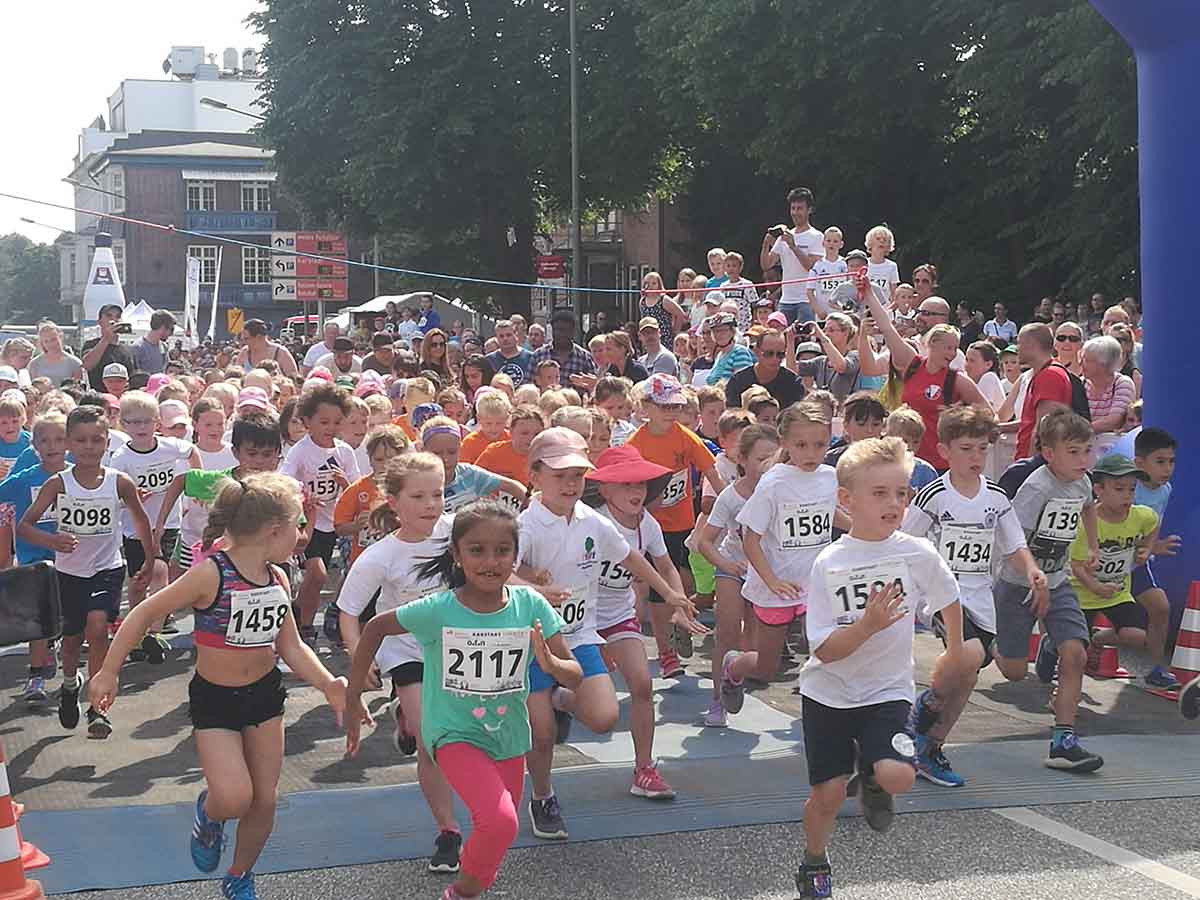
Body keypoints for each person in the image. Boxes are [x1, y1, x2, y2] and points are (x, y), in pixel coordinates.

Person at [90, 473, 347, 900]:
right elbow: (141, 615)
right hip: (216, 700)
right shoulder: (212, 573)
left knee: (263, 800)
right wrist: (109, 671)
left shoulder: (279, 577)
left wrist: (328, 684)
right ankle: (209, 815)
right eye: (299, 525)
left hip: (265, 696)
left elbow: (292, 645)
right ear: (273, 531)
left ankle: (240, 876)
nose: (303, 536)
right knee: (233, 798)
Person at [345, 502, 579, 900]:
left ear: (515, 555)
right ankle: (461, 893)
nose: (490, 561)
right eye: (477, 550)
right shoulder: (439, 609)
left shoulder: (531, 605)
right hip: (453, 733)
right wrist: (353, 698)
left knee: (498, 831)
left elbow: (574, 673)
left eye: (502, 551)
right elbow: (375, 629)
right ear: (456, 554)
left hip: (507, 734)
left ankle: (468, 888)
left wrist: (551, 662)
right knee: (501, 821)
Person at [794, 437, 962, 899]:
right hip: (828, 693)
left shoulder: (916, 552)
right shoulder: (830, 562)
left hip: (887, 690)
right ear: (846, 500)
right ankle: (814, 860)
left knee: (899, 775)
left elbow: (948, 595)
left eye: (901, 493)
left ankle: (872, 776)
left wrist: (957, 647)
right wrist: (868, 625)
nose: (894, 503)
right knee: (826, 796)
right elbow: (825, 650)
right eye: (880, 493)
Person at [515, 428, 693, 841]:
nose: (570, 484)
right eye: (560, 475)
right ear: (535, 475)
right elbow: (501, 572)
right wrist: (536, 589)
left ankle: (561, 698)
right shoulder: (525, 525)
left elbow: (631, 557)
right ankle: (542, 796)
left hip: (578, 636)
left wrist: (670, 593)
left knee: (603, 717)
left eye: (577, 475)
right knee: (540, 735)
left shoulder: (591, 521)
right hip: (533, 645)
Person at [335, 452, 469, 872]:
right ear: (393, 502)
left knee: (458, 734)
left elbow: (499, 568)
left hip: (460, 648)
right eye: (419, 496)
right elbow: (348, 612)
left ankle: (404, 717)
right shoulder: (380, 556)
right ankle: (449, 832)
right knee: (433, 742)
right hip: (406, 651)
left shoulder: (460, 534)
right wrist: (361, 655)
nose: (432, 504)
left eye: (439, 494)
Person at [901, 405, 1047, 787]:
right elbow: (905, 540)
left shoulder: (996, 497)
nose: (975, 457)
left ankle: (930, 746)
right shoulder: (934, 495)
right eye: (966, 449)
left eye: (982, 449)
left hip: (981, 595)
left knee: (967, 676)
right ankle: (923, 708)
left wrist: (1032, 569)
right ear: (945, 450)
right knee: (968, 654)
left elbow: (1014, 542)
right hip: (939, 594)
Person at [18, 405, 155, 737]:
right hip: (69, 574)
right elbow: (25, 526)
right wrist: (53, 540)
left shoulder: (119, 482)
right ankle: (69, 684)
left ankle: (97, 708)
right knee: (70, 640)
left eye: (96, 440)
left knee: (97, 628)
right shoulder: (58, 483)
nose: (89, 447)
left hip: (107, 568)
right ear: (68, 444)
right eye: (81, 441)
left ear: (107, 442)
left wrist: (150, 560)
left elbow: (140, 520)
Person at [589, 445, 707, 798]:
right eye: (625, 484)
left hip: (618, 613)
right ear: (606, 490)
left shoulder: (648, 524)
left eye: (640, 484)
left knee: (642, 685)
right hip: (579, 620)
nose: (636, 491)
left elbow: (666, 564)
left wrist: (678, 602)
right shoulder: (592, 521)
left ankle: (644, 769)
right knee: (583, 704)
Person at [991, 410, 1104, 771]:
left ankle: (1064, 741)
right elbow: (1013, 543)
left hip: (1058, 582)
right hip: (1017, 584)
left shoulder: (1083, 481)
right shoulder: (1037, 487)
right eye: (1074, 452)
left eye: (1087, 451)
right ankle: (985, 637)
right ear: (1049, 453)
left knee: (1076, 653)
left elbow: (1087, 509)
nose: (1083, 460)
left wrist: (1092, 546)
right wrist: (1033, 576)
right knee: (1012, 670)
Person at [723, 401, 842, 697]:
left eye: (820, 444)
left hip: (815, 582)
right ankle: (734, 666)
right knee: (766, 669)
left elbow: (830, 512)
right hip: (775, 586)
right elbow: (751, 540)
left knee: (826, 649)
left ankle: (824, 706)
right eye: (801, 445)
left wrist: (864, 528)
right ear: (785, 442)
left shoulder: (829, 476)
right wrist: (772, 581)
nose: (812, 453)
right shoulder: (774, 483)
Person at [1069, 454, 1179, 691]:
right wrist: (1095, 586)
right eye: (1120, 489)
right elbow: (1076, 566)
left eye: (1132, 489)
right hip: (1083, 594)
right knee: (1076, 653)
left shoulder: (1140, 515)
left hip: (1118, 592)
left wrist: (1148, 548)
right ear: (1098, 489)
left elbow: (1153, 524)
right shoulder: (1086, 524)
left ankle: (1102, 639)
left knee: (1140, 637)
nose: (1128, 495)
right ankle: (1062, 684)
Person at [110, 390, 202, 659]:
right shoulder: (121, 459)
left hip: (168, 524)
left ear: (157, 423)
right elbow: (115, 493)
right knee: (139, 582)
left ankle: (154, 633)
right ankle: (136, 635)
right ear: (123, 425)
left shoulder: (169, 446)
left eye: (146, 421)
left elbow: (192, 451)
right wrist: (132, 498)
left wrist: (195, 487)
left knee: (160, 573)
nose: (140, 427)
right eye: (133, 422)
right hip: (135, 528)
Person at [861, 286, 988, 470]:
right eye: (948, 347)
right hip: (905, 460)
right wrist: (868, 293)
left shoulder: (958, 380)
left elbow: (988, 414)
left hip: (941, 465)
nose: (953, 354)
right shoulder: (912, 365)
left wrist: (961, 417)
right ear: (932, 344)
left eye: (955, 348)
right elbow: (887, 328)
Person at [280, 383, 361, 645]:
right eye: (324, 421)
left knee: (318, 578)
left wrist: (344, 485)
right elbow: (285, 480)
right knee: (317, 573)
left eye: (337, 422)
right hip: (308, 524)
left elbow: (359, 491)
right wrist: (302, 496)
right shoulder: (300, 451)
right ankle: (302, 624)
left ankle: (303, 620)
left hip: (332, 524)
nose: (331, 428)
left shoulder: (344, 452)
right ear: (306, 421)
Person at [0, 410, 70, 702]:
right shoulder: (22, 480)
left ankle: (70, 675)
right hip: (34, 561)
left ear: (68, 443)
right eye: (45, 440)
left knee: (70, 619)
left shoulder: (78, 474)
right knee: (39, 620)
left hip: (72, 557)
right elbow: (3, 502)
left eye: (58, 439)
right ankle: (36, 675)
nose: (52, 446)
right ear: (35, 445)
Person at [760, 187, 824, 325]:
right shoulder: (785, 235)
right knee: (782, 338)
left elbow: (812, 267)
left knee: (805, 340)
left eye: (800, 208)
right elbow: (766, 265)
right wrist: (765, 244)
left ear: (809, 210)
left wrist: (794, 247)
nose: (795, 212)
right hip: (786, 300)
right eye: (793, 208)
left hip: (807, 300)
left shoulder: (817, 236)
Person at [1014, 323, 1076, 460]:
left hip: (1036, 465)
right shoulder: (1043, 373)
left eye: (1019, 343)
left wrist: (1028, 466)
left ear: (1032, 345)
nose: (1016, 348)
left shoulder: (1050, 375)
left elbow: (1043, 431)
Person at [788, 313, 864, 403]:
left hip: (845, 412)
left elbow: (841, 366)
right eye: (825, 330)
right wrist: (790, 340)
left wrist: (822, 336)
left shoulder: (855, 356)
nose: (827, 334)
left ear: (846, 333)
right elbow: (792, 369)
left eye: (831, 330)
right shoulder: (821, 361)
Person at [1081, 335, 1135, 460]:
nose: (1080, 363)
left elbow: (1113, 421)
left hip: (1113, 452)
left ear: (1103, 364)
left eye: (1086, 360)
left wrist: (1078, 431)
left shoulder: (1122, 383)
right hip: (1084, 450)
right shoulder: (1081, 383)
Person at [724, 329, 804, 410]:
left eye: (780, 354)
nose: (775, 359)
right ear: (756, 351)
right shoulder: (738, 381)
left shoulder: (793, 382)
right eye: (768, 354)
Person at [533, 310, 596, 389]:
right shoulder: (538, 355)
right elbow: (529, 384)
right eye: (558, 330)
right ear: (552, 330)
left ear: (573, 331)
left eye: (566, 330)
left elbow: (593, 387)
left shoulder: (584, 357)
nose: (562, 334)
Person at [81, 303, 136, 390]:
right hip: (98, 396)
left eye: (118, 316)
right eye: (109, 316)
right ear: (100, 322)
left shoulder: (126, 350)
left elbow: (132, 376)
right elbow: (87, 365)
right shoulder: (91, 344)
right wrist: (106, 339)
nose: (114, 320)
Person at [29, 320, 84, 387]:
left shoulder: (75, 363)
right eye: (46, 341)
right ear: (42, 343)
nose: (51, 344)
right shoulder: (34, 364)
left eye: (53, 339)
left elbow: (77, 390)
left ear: (60, 337)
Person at [807, 227, 847, 316]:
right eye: (828, 241)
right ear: (823, 243)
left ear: (841, 244)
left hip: (842, 314)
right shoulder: (817, 266)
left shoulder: (845, 264)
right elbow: (809, 291)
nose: (831, 244)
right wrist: (818, 310)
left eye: (835, 241)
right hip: (823, 314)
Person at [486, 319, 535, 387]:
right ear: (496, 338)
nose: (505, 339)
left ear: (516, 335)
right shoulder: (489, 360)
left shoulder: (530, 357)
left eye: (508, 335)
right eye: (501, 336)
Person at [964, 340, 1006, 412]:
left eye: (972, 361)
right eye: (966, 359)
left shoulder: (989, 377)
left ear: (988, 364)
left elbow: (981, 411)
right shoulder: (968, 381)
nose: (967, 365)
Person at [132, 310, 176, 375]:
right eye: (171, 329)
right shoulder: (138, 347)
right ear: (163, 327)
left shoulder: (164, 347)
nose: (171, 334)